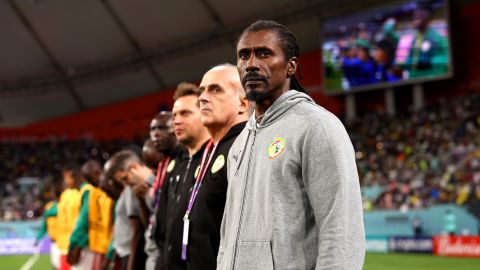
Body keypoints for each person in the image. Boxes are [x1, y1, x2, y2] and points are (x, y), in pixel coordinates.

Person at [217, 20, 365, 269]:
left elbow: (342, 229)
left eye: (264, 53)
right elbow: (227, 234)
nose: (251, 64)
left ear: (291, 66)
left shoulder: (318, 126)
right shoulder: (238, 143)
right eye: (244, 56)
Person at [181, 64, 250, 270]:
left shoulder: (246, 147)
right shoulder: (211, 151)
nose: (202, 97)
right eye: (202, 90)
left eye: (215, 89)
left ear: (243, 104)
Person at [155, 82, 210, 270]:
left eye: (185, 113)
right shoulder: (178, 166)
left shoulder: (214, 161)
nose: (176, 121)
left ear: (204, 114)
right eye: (175, 115)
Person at [67, 160, 114, 270]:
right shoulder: (94, 191)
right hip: (102, 246)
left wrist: (75, 244)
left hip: (102, 248)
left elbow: (83, 221)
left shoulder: (90, 191)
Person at [104, 150, 146, 270]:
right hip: (126, 252)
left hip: (131, 253)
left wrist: (131, 265)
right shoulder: (127, 190)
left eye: (124, 178)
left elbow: (137, 231)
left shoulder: (132, 189)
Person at [405, 6, 449, 79]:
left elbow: (442, 64)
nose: (415, 20)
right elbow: (410, 61)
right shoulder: (416, 39)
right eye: (414, 17)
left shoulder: (436, 38)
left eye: (418, 17)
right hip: (415, 80)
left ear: (426, 20)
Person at [56, 164, 83, 270]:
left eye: (66, 177)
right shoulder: (65, 195)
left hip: (72, 244)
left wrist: (76, 243)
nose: (65, 181)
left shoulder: (78, 195)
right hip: (63, 243)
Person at [35, 185, 61, 270]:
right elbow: (44, 225)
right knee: (55, 266)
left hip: (64, 241)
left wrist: (48, 213)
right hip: (54, 242)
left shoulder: (64, 204)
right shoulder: (48, 206)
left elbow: (58, 211)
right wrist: (38, 238)